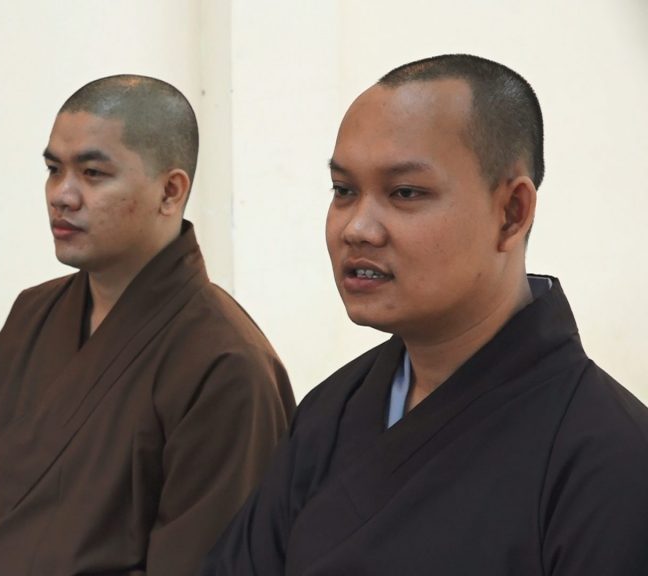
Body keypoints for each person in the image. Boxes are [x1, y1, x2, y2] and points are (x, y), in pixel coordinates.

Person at [200, 53, 648, 575]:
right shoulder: (332, 411)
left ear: (512, 213)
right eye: (344, 191)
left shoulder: (608, 455)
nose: (357, 228)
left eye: (405, 192)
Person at [0, 74, 295, 576]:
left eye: (92, 174)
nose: (61, 195)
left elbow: (203, 562)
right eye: (53, 169)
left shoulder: (227, 365)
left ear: (170, 191)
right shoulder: (35, 315)